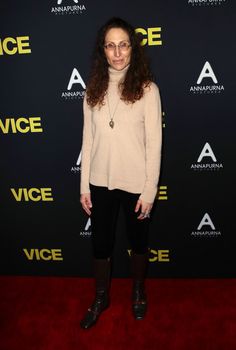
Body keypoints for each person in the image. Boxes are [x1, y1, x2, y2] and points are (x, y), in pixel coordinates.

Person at [80, 17, 162, 329]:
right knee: (100, 243)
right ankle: (102, 296)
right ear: (103, 50)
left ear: (133, 48)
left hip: (137, 184)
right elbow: (88, 141)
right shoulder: (93, 90)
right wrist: (83, 186)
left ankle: (138, 291)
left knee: (138, 241)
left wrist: (149, 190)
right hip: (100, 182)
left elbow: (155, 144)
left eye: (123, 44)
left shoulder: (147, 89)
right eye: (110, 45)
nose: (117, 52)